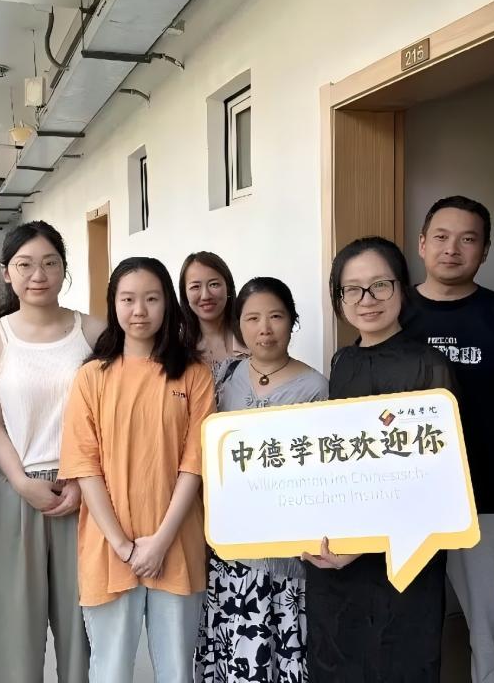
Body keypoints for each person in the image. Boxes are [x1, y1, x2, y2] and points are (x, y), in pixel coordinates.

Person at [302, 237, 456, 683]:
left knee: (400, 661)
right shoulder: (342, 362)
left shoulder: (430, 366)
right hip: (339, 558)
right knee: (338, 660)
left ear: (402, 288)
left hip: (404, 555)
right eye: (352, 289)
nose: (366, 299)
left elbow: (437, 478)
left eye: (380, 285)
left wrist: (365, 544)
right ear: (339, 298)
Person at [60, 257, 215, 683]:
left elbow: (195, 464)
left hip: (176, 543)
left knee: (177, 671)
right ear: (113, 305)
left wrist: (160, 542)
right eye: (127, 300)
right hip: (108, 548)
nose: (139, 311)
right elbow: (85, 466)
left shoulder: (194, 375)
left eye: (151, 299)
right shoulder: (91, 377)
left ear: (168, 304)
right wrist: (123, 546)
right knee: (109, 670)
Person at [403, 196, 494, 683]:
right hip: (404, 502)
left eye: (468, 239)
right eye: (440, 236)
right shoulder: (391, 313)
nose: (451, 249)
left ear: (485, 250)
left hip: (484, 500)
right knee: (406, 629)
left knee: (489, 631)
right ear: (422, 243)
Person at [0, 220, 105, 683]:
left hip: (83, 492)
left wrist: (83, 481)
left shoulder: (95, 331)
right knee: (14, 634)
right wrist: (21, 482)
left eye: (50, 263)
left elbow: (105, 421)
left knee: (82, 632)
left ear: (64, 268)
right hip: (15, 490)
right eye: (25, 265)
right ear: (7, 272)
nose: (38, 275)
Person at [194, 277, 327, 683]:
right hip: (229, 554)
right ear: (239, 324)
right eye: (252, 319)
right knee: (231, 659)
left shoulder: (315, 387)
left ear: (292, 321)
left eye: (275, 317)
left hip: (287, 557)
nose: (264, 329)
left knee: (283, 662)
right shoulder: (222, 377)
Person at [179, 251, 249, 380]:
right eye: (195, 286)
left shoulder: (252, 338)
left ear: (228, 287)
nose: (205, 296)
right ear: (185, 294)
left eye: (214, 284)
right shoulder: (175, 351)